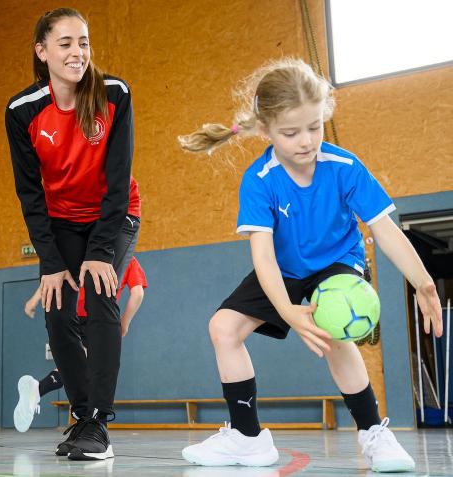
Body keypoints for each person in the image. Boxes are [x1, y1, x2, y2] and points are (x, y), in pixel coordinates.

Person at [177, 58, 442, 472]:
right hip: (283, 268)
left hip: (337, 261)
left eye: (314, 127)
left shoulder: (344, 167)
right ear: (265, 130)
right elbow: (262, 255)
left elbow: (384, 229)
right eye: (291, 132)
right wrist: (287, 312)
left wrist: (423, 282)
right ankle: (248, 439)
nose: (306, 141)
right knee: (222, 328)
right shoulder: (260, 179)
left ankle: (373, 433)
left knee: (335, 324)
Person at [5, 7, 135, 461]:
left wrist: (100, 252)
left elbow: (118, 181)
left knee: (100, 297)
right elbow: (30, 194)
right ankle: (82, 416)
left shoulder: (115, 95)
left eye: (84, 42)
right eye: (65, 43)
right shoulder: (23, 112)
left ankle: (99, 422)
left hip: (113, 216)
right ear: (42, 51)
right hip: (60, 222)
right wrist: (51, 261)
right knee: (58, 312)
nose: (78, 52)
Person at [14, 256, 147, 433]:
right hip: (99, 317)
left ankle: (41, 391)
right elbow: (138, 293)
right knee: (92, 370)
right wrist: (125, 322)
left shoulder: (85, 250)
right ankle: (42, 391)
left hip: (73, 313)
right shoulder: (128, 258)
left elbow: (56, 274)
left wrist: (34, 299)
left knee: (78, 366)